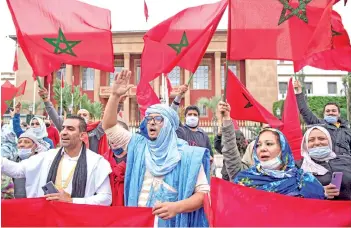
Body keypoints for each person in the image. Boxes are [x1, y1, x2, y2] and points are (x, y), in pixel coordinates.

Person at [103, 69, 210, 227]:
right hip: (138, 222)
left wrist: (177, 207)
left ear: (168, 125)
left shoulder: (187, 154)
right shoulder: (138, 145)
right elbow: (109, 126)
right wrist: (115, 96)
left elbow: (204, 194)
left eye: (158, 119)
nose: (151, 122)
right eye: (149, 119)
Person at [219, 101, 325, 199]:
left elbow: (318, 212)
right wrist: (227, 120)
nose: (262, 149)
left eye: (269, 144)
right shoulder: (245, 179)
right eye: (258, 145)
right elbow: (231, 156)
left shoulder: (304, 180)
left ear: (282, 149)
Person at [1, 115, 112, 205]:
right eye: (63, 128)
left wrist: (72, 201)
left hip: (78, 220)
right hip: (47, 219)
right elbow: (18, 170)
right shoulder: (47, 156)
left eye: (70, 129)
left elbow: (106, 198)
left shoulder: (97, 162)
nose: (63, 132)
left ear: (82, 136)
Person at [38, 87, 108, 154]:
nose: (82, 116)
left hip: (91, 164)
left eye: (84, 115)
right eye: (79, 115)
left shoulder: (96, 130)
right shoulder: (68, 128)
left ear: (89, 118)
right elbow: (55, 118)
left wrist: (117, 100)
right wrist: (46, 99)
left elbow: (108, 118)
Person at [294, 80, 351, 156]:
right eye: (328, 111)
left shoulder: (347, 130)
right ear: (324, 114)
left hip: (345, 164)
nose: (331, 113)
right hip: (326, 164)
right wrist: (299, 92)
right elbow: (304, 111)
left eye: (334, 111)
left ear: (339, 114)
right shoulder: (319, 125)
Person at [297, 126, 351, 200]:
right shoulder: (297, 167)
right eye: (311, 140)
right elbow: (292, 193)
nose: (317, 143)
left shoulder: (346, 159)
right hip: (319, 210)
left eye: (321, 139)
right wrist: (319, 191)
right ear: (305, 144)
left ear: (329, 140)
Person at [170, 84, 214, 161]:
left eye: (195, 115)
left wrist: (212, 170)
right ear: (185, 117)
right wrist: (180, 95)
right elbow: (172, 112)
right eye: (190, 114)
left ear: (198, 118)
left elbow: (210, 156)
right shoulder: (180, 130)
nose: (192, 116)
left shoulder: (203, 135)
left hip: (200, 170)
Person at [13, 129, 47, 198]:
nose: (22, 145)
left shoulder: (42, 161)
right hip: (18, 201)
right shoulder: (15, 160)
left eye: (26, 142)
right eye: (19, 142)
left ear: (35, 146)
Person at [104, 120, 129, 206]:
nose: (113, 138)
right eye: (110, 134)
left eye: (117, 134)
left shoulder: (137, 159)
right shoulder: (102, 160)